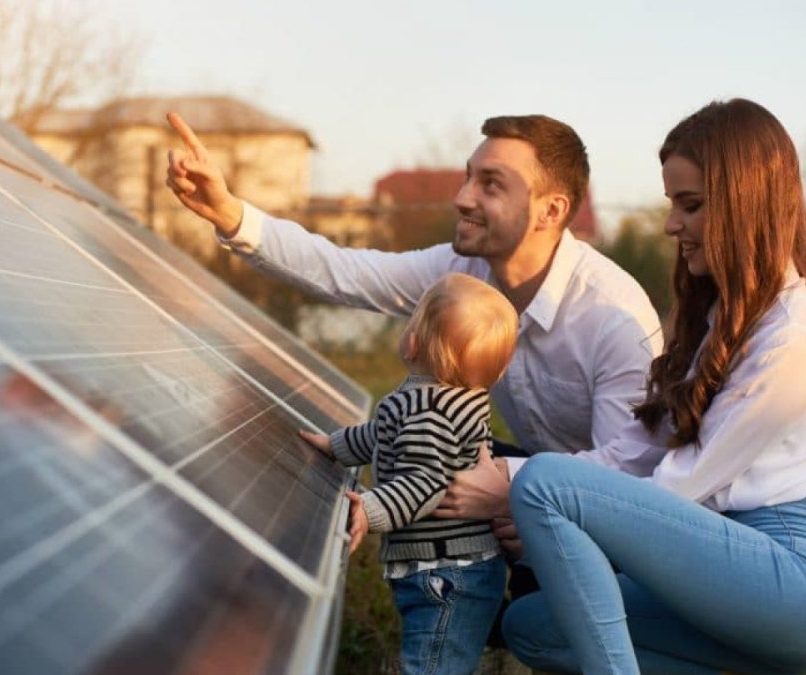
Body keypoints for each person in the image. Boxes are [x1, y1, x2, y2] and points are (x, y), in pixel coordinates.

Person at [164, 110, 663, 575]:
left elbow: (628, 469)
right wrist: (229, 214)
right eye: (470, 176)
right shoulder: (463, 271)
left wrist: (513, 486)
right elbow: (347, 273)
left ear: (550, 211)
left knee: (528, 614)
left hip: (616, 522)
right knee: (427, 451)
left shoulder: (613, 318)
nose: (462, 197)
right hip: (528, 486)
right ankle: (454, 602)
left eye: (490, 184)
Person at [492, 98, 806, 674]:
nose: (672, 225)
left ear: (747, 205)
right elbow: (642, 451)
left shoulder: (790, 338)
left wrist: (545, 511)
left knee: (546, 485)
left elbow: (683, 488)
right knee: (534, 627)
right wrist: (501, 478)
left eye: (690, 206)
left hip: (796, 579)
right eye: (673, 205)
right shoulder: (727, 320)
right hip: (726, 568)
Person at [299, 271, 519, 675]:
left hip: (446, 575)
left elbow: (425, 482)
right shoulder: (444, 399)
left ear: (413, 340)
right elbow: (382, 435)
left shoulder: (427, 410)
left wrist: (370, 508)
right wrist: (336, 446)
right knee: (438, 657)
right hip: (458, 569)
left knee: (432, 665)